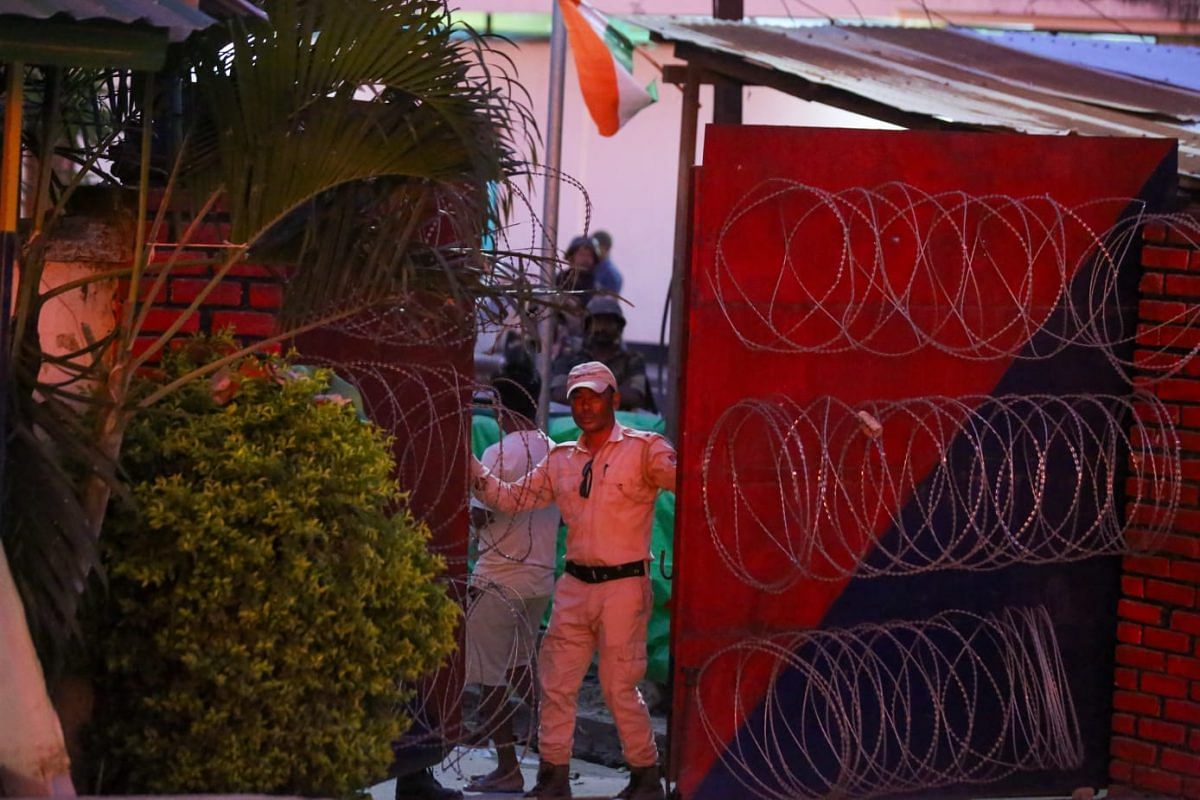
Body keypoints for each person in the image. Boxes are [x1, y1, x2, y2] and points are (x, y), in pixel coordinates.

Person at [469, 362, 677, 800]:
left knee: (618, 686)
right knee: (556, 683)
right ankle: (553, 778)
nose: (584, 406)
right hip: (574, 584)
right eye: (577, 398)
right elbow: (511, 497)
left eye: (594, 396)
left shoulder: (645, 450)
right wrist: (469, 463)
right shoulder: (561, 459)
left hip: (624, 585)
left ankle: (644, 775)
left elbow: (686, 485)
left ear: (614, 399)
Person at [463, 376, 560, 794]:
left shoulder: (497, 452)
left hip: (499, 575)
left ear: (502, 407)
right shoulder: (554, 451)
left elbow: (482, 516)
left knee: (488, 674)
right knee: (521, 664)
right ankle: (544, 736)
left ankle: (507, 767)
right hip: (539, 578)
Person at [549, 297, 656, 414]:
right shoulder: (571, 358)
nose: (602, 328)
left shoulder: (632, 360)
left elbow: (635, 395)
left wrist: (586, 393)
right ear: (587, 327)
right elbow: (557, 393)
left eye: (608, 322)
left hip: (620, 420)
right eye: (597, 323)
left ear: (619, 328)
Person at [592, 230, 623, 295]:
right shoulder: (593, 267)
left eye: (596, 247)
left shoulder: (611, 274)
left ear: (606, 248)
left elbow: (610, 300)